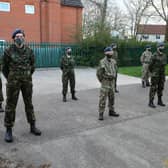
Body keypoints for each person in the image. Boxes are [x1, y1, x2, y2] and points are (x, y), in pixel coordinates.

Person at [2, 29, 41, 142]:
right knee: (10, 105)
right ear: (13, 38)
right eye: (17, 36)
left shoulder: (29, 50)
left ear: (24, 37)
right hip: (13, 83)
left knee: (29, 103)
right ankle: (8, 130)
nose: (19, 38)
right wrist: (11, 78)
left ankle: (32, 126)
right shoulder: (8, 51)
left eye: (21, 36)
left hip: (27, 82)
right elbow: (4, 67)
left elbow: (33, 65)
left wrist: (27, 75)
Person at [96, 46, 119, 120]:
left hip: (112, 82)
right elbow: (99, 73)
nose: (111, 53)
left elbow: (115, 70)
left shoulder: (113, 61)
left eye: (111, 52)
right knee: (103, 98)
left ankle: (111, 111)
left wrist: (114, 78)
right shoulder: (102, 62)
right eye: (110, 52)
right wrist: (102, 81)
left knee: (112, 97)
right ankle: (101, 113)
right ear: (106, 53)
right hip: (105, 82)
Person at [148, 42, 167, 108]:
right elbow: (150, 65)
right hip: (155, 75)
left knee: (161, 88)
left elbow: (164, 64)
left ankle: (159, 101)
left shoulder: (164, 55)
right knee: (153, 88)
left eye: (163, 46)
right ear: (158, 47)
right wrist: (153, 72)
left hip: (162, 75)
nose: (162, 47)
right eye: (161, 46)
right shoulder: (154, 55)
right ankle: (151, 102)